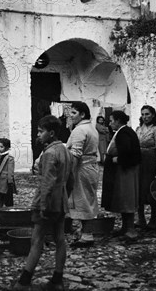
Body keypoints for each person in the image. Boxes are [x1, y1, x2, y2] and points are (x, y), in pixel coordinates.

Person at [11, 115, 73, 291]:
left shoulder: (49, 153)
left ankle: (24, 281)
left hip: (47, 203)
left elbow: (47, 183)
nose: (38, 135)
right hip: (60, 201)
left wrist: (44, 205)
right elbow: (71, 181)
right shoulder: (65, 151)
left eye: (41, 131)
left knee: (36, 240)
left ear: (51, 133)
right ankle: (57, 279)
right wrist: (64, 200)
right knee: (60, 239)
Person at [101, 111, 141, 242]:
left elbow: (128, 152)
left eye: (112, 120)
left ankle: (130, 229)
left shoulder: (124, 133)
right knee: (123, 198)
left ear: (118, 121)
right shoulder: (123, 132)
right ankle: (125, 227)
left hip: (125, 172)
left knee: (127, 198)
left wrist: (117, 160)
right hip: (123, 171)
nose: (110, 123)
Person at [66, 101, 99, 246]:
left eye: (74, 113)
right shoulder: (91, 128)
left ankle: (87, 235)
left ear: (82, 114)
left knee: (83, 200)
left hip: (82, 168)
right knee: (88, 199)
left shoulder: (79, 130)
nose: (70, 116)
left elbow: (76, 154)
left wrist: (69, 172)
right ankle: (85, 232)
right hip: (91, 166)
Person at [136, 104, 156, 230]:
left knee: (151, 190)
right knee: (138, 189)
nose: (145, 117)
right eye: (143, 114)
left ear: (153, 115)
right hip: (139, 162)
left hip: (150, 162)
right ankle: (141, 218)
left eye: (147, 114)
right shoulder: (138, 129)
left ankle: (153, 220)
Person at [0, 138, 16, 207]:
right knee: (0, 197)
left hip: (5, 181)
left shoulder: (9, 158)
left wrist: (10, 182)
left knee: (6, 198)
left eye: (1, 147)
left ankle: (8, 211)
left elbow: (10, 171)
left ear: (6, 148)